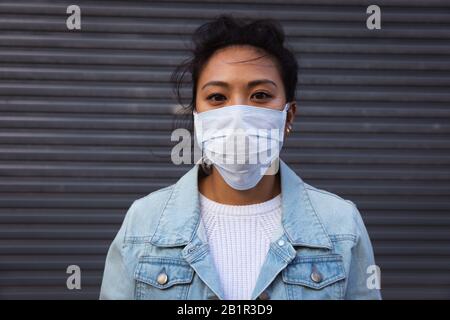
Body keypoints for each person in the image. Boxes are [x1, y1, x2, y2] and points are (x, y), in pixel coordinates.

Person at [100, 14, 381, 300]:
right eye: (218, 98)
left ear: (288, 115)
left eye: (259, 95)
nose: (238, 116)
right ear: (197, 116)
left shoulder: (341, 226)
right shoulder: (143, 224)